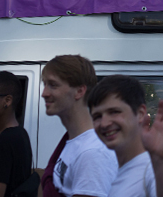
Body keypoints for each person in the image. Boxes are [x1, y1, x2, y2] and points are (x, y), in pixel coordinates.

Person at [87, 75, 163, 197]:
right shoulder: (120, 170)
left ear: (140, 113)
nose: (104, 123)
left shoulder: (153, 169)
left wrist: (161, 159)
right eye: (97, 117)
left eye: (114, 112)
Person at [41, 55, 117, 197]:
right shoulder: (74, 141)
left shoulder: (92, 153)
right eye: (44, 84)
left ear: (79, 91)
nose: (44, 93)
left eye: (53, 85)